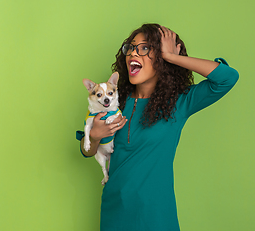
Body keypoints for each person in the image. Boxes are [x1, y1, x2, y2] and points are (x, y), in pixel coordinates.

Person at [76, 23, 239, 231]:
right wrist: (95, 135)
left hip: (156, 215)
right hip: (114, 211)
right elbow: (87, 151)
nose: (134, 52)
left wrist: (173, 58)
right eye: (131, 47)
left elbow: (227, 78)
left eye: (145, 48)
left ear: (161, 58)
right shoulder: (114, 102)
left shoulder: (179, 103)